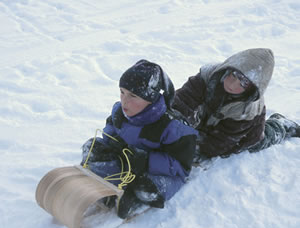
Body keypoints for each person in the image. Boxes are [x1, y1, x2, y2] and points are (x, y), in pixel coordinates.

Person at [81, 59, 198, 219]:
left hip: (157, 172)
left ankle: (134, 198)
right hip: (128, 160)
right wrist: (113, 144)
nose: (124, 101)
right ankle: (107, 186)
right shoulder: (120, 112)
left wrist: (146, 160)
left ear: (150, 99)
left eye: (133, 96)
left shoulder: (173, 128)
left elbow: (181, 166)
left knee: (146, 187)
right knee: (92, 148)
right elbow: (111, 128)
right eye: (122, 92)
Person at [172, 48, 300, 163]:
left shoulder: (248, 111)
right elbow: (182, 102)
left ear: (252, 89)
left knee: (259, 139)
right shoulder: (208, 76)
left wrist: (194, 147)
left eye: (243, 83)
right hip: (210, 115)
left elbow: (220, 143)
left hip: (245, 132)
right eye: (233, 75)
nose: (232, 85)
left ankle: (282, 125)